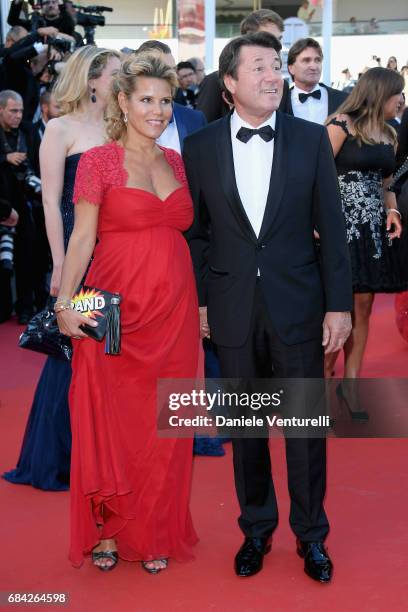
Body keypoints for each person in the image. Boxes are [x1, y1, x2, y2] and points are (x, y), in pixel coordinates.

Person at [184, 31, 352, 583]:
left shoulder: (309, 140)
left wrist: (338, 308)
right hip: (233, 309)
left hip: (300, 305)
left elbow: (332, 228)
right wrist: (206, 299)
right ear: (229, 83)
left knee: (305, 429)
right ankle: (256, 530)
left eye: (275, 66)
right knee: (247, 431)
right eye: (258, 67)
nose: (273, 75)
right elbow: (199, 235)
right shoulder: (201, 145)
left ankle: (312, 537)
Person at [55, 54, 199, 572]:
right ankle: (109, 532)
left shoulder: (176, 162)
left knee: (166, 420)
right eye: (146, 100)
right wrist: (64, 304)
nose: (158, 110)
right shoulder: (98, 160)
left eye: (165, 100)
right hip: (115, 308)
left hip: (175, 312)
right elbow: (82, 239)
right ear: (122, 101)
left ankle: (154, 529)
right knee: (112, 419)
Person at [3, 46, 121, 491]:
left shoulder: (121, 127)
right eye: (116, 74)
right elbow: (50, 203)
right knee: (72, 351)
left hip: (115, 249)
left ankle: (103, 451)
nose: (122, 79)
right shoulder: (60, 127)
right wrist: (60, 264)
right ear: (92, 80)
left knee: (110, 349)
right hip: (78, 252)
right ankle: (61, 456)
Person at [325, 68, 405, 396]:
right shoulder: (340, 124)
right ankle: (324, 378)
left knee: (364, 305)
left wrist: (392, 210)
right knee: (334, 307)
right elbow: (314, 176)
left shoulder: (389, 134)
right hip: (338, 230)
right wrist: (317, 223)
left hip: (371, 232)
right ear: (378, 92)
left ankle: (352, 384)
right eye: (396, 93)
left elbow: (387, 183)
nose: (401, 100)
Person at [196, 9, 290, 122]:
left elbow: (288, 129)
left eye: (279, 39)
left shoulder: (281, 85)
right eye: (267, 39)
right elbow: (202, 128)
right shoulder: (214, 82)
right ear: (249, 39)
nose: (276, 45)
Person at [0, 90, 38, 323]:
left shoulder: (27, 132)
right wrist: (5, 158)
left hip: (25, 204)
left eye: (21, 111)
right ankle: (4, 308)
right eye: (13, 111)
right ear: (0, 110)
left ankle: (25, 307)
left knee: (27, 257)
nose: (18, 115)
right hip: (2, 204)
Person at [284, 38, 348, 124]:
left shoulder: (344, 100)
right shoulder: (280, 103)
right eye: (306, 60)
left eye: (317, 60)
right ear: (291, 68)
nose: (314, 67)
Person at [8, 0, 75, 36]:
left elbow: (70, 23)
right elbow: (12, 20)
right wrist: (18, 2)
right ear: (41, 7)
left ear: (59, 5)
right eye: (47, 2)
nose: (51, 5)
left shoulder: (66, 21)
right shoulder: (35, 22)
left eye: (54, 2)